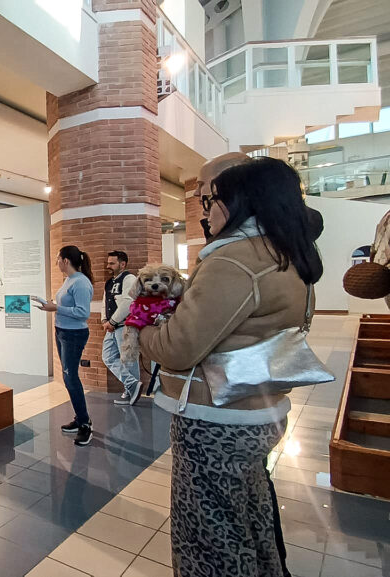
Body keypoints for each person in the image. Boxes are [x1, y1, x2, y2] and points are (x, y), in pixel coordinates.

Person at [139, 157, 323, 577]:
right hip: (258, 411)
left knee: (209, 537)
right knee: (250, 523)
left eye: (211, 198)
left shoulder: (234, 260)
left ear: (239, 200)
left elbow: (178, 346)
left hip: (217, 420)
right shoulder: (285, 252)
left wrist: (142, 331)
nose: (205, 211)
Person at [35, 245, 94, 446]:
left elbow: (83, 312)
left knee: (71, 378)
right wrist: (51, 305)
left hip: (74, 334)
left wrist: (56, 307)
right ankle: (80, 418)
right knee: (68, 376)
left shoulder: (81, 283)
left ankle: (85, 423)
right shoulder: (69, 280)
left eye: (58, 259)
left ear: (66, 261)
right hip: (62, 331)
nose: (57, 262)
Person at [100, 250, 141, 406]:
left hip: (124, 326)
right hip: (112, 326)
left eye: (112, 263)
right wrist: (105, 319)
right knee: (108, 357)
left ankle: (131, 392)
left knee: (129, 360)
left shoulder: (129, 278)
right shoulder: (110, 281)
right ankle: (132, 384)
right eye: (108, 262)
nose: (108, 265)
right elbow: (105, 301)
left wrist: (113, 321)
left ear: (122, 264)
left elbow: (128, 301)